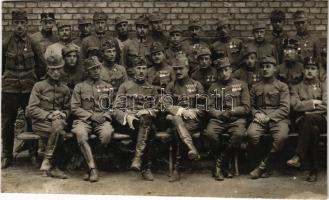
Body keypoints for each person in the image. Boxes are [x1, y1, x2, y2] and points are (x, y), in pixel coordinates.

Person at [2, 9, 47, 169]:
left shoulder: (33, 43)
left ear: (27, 24)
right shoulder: (6, 43)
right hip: (10, 89)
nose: (19, 26)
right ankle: (7, 155)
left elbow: (42, 65)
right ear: (12, 24)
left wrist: (34, 80)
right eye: (16, 23)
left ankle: (33, 154)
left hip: (29, 88)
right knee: (7, 122)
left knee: (31, 120)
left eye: (22, 23)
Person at [204, 57, 250, 181]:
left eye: (226, 70)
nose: (224, 73)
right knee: (210, 133)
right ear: (217, 73)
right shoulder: (213, 87)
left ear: (231, 69)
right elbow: (209, 107)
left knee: (239, 134)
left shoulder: (241, 85)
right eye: (220, 71)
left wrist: (231, 112)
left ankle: (220, 163)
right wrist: (219, 115)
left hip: (236, 120)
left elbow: (246, 108)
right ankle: (225, 166)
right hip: (218, 120)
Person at [113, 57, 158, 181]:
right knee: (150, 129)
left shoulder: (152, 88)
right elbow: (116, 108)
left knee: (147, 122)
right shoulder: (125, 86)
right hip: (128, 124)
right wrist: (127, 116)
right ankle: (146, 168)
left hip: (144, 122)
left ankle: (138, 160)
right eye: (138, 68)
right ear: (133, 70)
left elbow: (157, 108)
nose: (141, 71)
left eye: (144, 68)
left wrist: (147, 110)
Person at [26, 53, 70, 179]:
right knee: (59, 132)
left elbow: (68, 109)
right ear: (48, 70)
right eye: (52, 69)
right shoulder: (39, 86)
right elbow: (32, 109)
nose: (56, 72)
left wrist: (63, 113)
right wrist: (49, 115)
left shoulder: (65, 89)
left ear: (62, 70)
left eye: (58, 69)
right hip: (40, 123)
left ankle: (47, 162)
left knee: (58, 125)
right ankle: (53, 165)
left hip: (58, 122)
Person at [71, 56, 114, 182]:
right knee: (80, 134)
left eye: (98, 68)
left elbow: (113, 107)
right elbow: (74, 107)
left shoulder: (108, 86)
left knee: (107, 134)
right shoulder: (79, 87)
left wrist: (105, 116)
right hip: (84, 120)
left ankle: (87, 162)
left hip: (102, 120)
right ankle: (93, 168)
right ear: (87, 71)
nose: (96, 71)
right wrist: (91, 116)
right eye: (92, 69)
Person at [247, 55, 290, 179]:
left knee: (281, 137)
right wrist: (256, 114)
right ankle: (266, 164)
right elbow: (251, 106)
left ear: (275, 69)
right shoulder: (255, 87)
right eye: (263, 67)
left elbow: (285, 108)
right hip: (260, 118)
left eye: (268, 66)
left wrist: (269, 117)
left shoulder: (282, 86)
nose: (265, 69)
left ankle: (262, 166)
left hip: (278, 118)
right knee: (251, 134)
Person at [286, 56, 327, 182]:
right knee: (312, 129)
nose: (310, 71)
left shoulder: (324, 86)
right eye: (307, 68)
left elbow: (327, 105)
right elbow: (294, 106)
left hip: (322, 120)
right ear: (303, 70)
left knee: (310, 121)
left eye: (313, 68)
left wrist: (306, 109)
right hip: (302, 122)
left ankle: (299, 156)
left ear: (317, 71)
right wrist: (314, 102)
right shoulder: (296, 87)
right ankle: (313, 169)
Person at [164, 55, 204, 181]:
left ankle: (177, 168)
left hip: (192, 123)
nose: (178, 72)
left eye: (181, 68)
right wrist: (182, 111)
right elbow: (166, 104)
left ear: (187, 68)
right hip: (176, 121)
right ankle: (191, 149)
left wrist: (193, 111)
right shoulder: (171, 86)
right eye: (175, 69)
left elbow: (203, 106)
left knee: (177, 126)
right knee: (176, 119)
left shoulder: (197, 85)